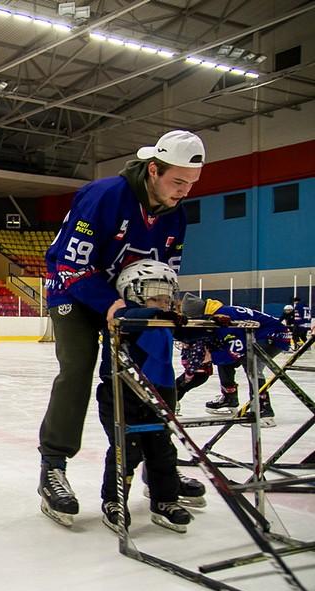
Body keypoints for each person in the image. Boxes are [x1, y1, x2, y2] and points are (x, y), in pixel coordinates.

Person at [38, 129, 205, 527]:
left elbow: (168, 268)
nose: (183, 191)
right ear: (153, 170)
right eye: (177, 181)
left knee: (154, 369)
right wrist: (110, 304)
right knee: (77, 370)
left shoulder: (175, 213)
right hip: (73, 293)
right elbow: (71, 264)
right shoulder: (105, 195)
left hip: (127, 298)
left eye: (191, 184)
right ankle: (53, 467)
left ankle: (156, 463)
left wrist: (163, 308)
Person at [96, 260, 193, 534]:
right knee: (126, 449)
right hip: (121, 394)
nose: (162, 301)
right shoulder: (123, 317)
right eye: (154, 294)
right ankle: (114, 501)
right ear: (131, 291)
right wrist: (157, 313)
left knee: (162, 450)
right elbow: (129, 319)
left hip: (158, 394)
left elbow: (189, 329)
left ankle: (165, 500)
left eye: (166, 295)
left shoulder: (163, 320)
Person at [181, 296, 292, 427]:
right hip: (258, 336)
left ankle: (264, 410)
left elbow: (237, 347)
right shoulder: (214, 314)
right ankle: (230, 398)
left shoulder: (223, 316)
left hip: (273, 336)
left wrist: (211, 356)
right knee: (224, 362)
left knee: (251, 363)